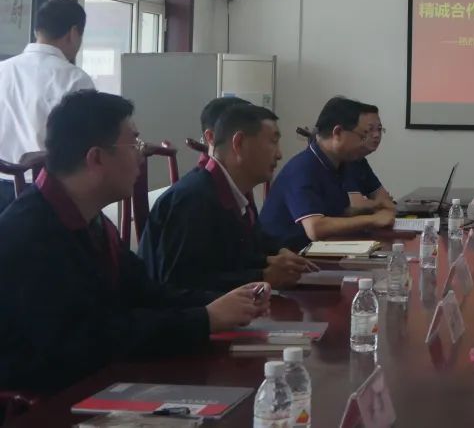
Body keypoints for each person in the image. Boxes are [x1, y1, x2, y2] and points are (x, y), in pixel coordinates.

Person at [0, 90, 265, 394]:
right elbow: (89, 341)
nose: (142, 155)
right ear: (96, 158)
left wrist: (226, 303)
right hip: (46, 403)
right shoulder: (29, 234)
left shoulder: (92, 221)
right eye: (134, 144)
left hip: (103, 381)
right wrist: (204, 319)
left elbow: (146, 293)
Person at [139, 104, 314, 292]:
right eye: (273, 142)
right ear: (239, 143)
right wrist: (262, 276)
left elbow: (238, 255)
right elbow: (178, 284)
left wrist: (277, 254)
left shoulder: (234, 191)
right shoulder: (191, 200)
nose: (279, 154)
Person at [260, 97, 395, 251]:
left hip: (317, 251)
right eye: (362, 136)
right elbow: (316, 228)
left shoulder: (339, 164)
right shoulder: (303, 168)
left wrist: (374, 209)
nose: (365, 142)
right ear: (337, 132)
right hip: (285, 257)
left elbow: (338, 212)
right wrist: (373, 219)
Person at [0, 0, 94, 212]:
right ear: (73, 33)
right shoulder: (75, 79)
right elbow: (83, 142)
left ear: (37, 30)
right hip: (45, 190)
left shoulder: (2, 70)